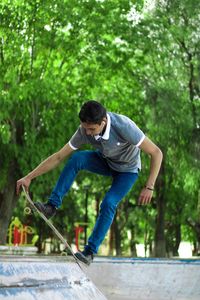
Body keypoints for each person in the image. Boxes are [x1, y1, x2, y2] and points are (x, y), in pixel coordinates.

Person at [16, 100, 163, 265]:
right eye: (85, 128)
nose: (88, 133)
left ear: (104, 122)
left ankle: (89, 252)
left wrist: (149, 186)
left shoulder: (124, 126)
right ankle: (52, 206)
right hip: (106, 162)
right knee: (77, 158)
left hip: (127, 171)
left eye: (92, 129)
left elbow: (156, 153)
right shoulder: (83, 131)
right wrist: (29, 177)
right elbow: (58, 157)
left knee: (109, 203)